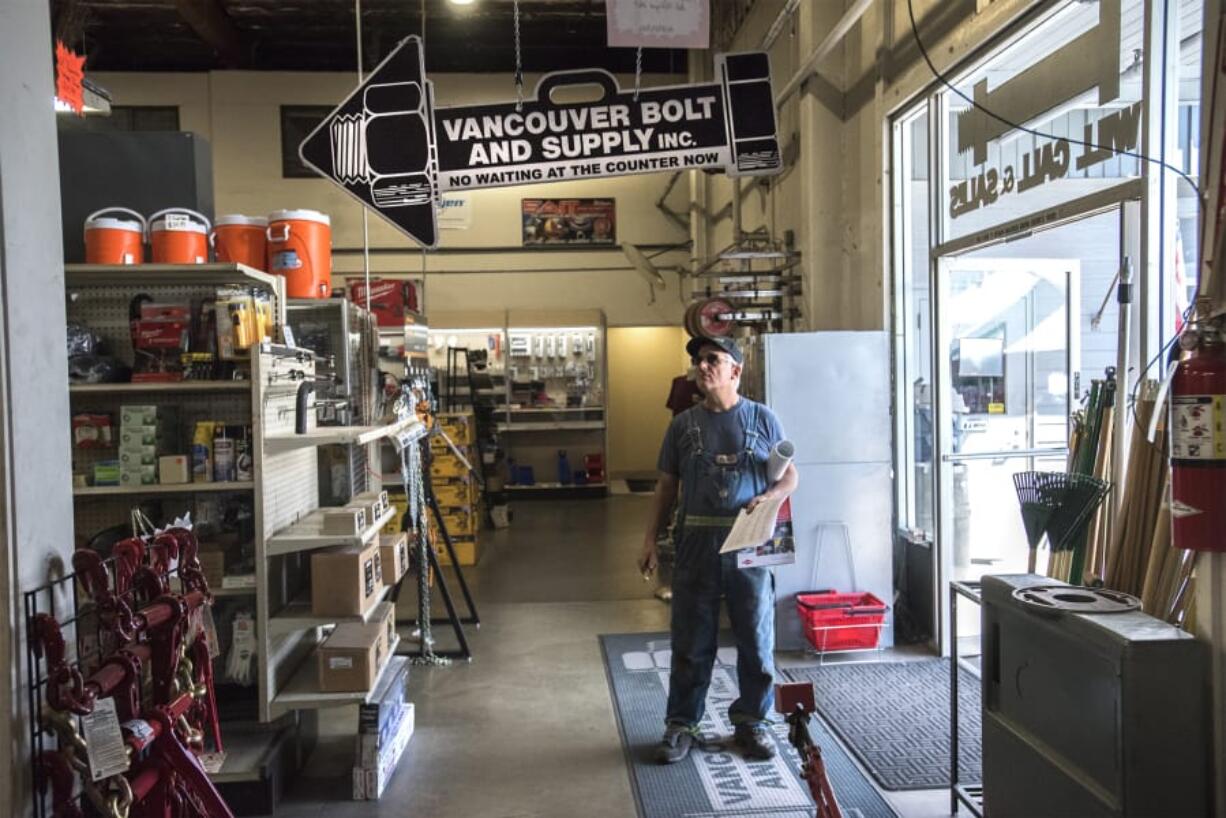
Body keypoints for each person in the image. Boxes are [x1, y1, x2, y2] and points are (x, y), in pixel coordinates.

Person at [639, 336, 798, 764]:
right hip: (696, 542)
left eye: (713, 359)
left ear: (736, 371)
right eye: (697, 360)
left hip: (750, 541)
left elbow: (790, 478)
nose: (702, 366)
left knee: (755, 637)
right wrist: (650, 538)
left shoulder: (764, 420)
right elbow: (667, 487)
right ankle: (682, 724)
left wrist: (771, 498)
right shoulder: (682, 426)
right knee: (692, 638)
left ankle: (752, 721)